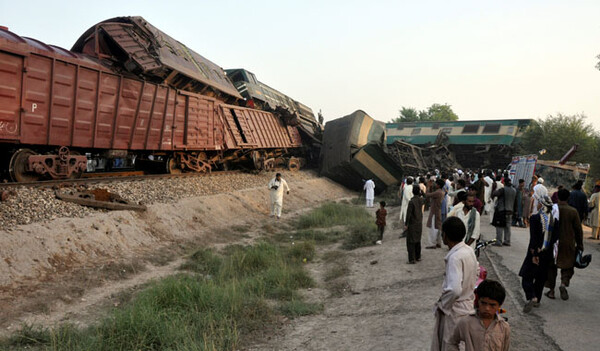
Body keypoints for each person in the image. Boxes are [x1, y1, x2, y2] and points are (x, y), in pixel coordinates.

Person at [430, 217, 479, 351]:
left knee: (450, 344)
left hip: (455, 310)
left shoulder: (455, 257)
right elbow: (477, 270)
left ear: (445, 235)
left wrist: (443, 305)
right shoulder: (469, 250)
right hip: (467, 306)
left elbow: (454, 290)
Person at [448, 280, 510, 351]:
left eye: (492, 305)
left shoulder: (504, 327)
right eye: (483, 303)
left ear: (499, 305)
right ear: (478, 301)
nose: (487, 308)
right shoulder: (466, 323)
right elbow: (451, 342)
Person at [545, 189, 584, 301]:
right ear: (568, 198)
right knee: (568, 266)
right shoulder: (573, 211)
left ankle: (551, 292)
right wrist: (580, 245)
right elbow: (578, 230)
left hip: (553, 243)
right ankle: (563, 284)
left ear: (558, 197)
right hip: (568, 243)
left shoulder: (552, 209)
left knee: (551, 266)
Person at [519, 195, 554, 313]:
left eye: (539, 203)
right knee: (540, 278)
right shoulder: (554, 220)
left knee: (526, 276)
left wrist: (534, 254)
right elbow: (554, 239)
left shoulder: (535, 218)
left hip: (534, 253)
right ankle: (537, 300)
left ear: (542, 205)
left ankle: (532, 296)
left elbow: (534, 237)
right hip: (547, 254)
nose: (537, 205)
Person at [492, 178, 517, 246]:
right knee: (508, 227)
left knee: (499, 226)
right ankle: (507, 241)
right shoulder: (514, 190)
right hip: (510, 211)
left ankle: (499, 241)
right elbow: (515, 202)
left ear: (504, 183)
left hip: (502, 210)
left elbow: (495, 193)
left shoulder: (503, 189)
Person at [404, 186, 424, 264]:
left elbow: (408, 214)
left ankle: (412, 259)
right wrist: (422, 192)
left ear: (412, 191)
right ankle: (418, 256)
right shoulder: (421, 200)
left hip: (412, 223)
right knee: (418, 240)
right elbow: (426, 198)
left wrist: (406, 224)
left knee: (411, 241)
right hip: (419, 223)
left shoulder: (412, 202)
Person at [426, 179, 445, 249]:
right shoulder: (442, 192)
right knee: (438, 227)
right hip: (438, 210)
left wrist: (428, 187)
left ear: (438, 185)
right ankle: (438, 242)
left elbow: (428, 195)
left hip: (434, 211)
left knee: (433, 227)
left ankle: (432, 243)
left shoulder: (438, 193)